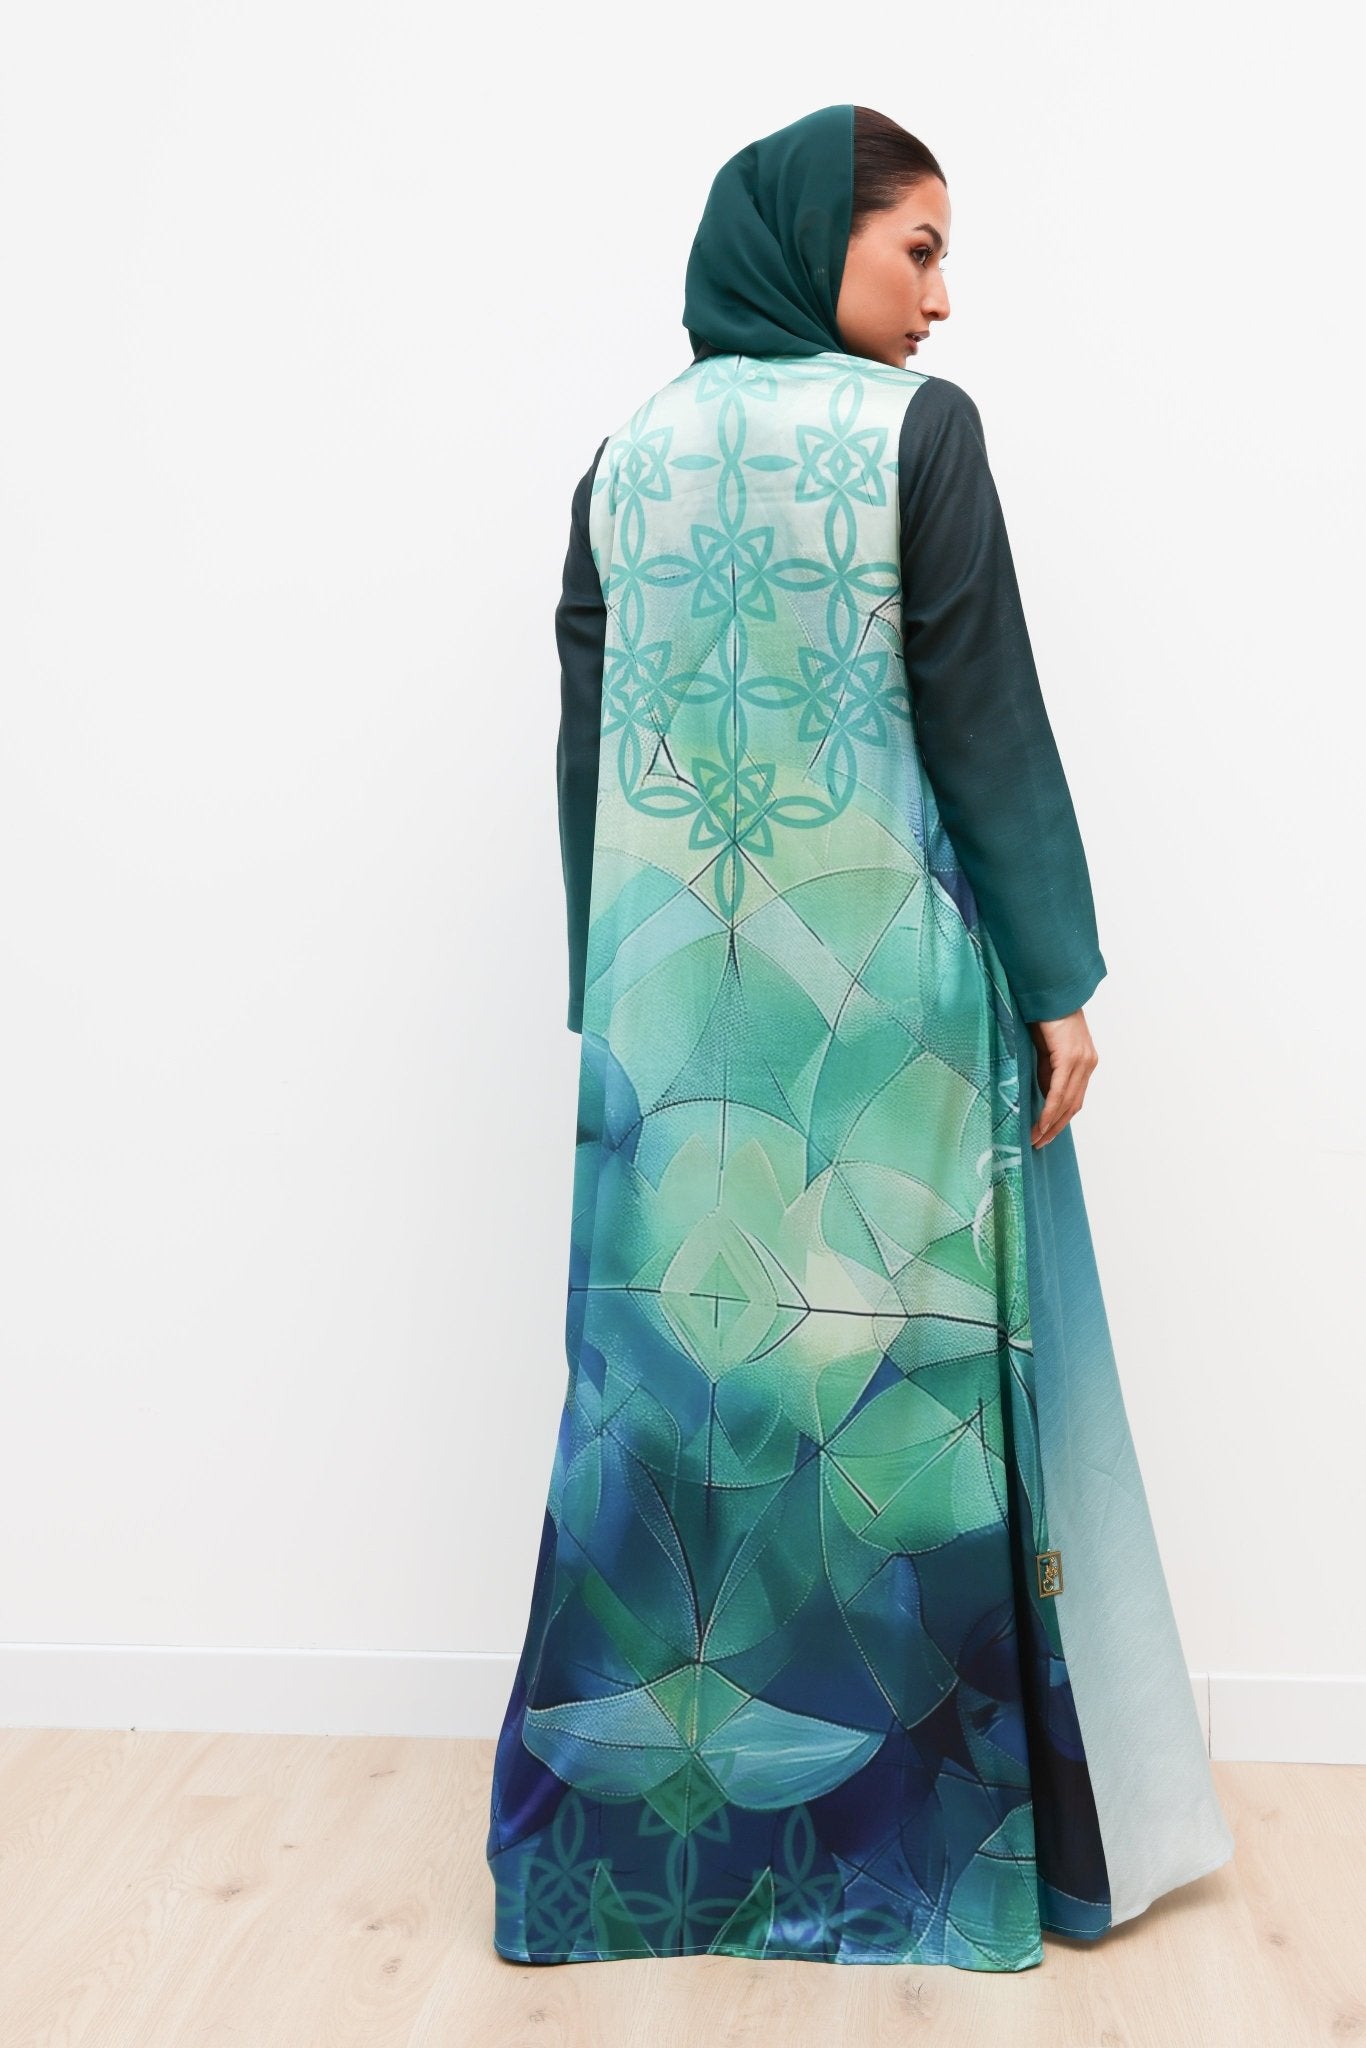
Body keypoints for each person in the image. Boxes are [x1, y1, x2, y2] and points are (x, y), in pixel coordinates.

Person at [486, 103, 1234, 1972]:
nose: (941, 297)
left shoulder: (624, 457)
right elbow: (980, 714)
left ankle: (633, 1874)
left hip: (667, 1052)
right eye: (917, 247)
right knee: (896, 1425)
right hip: (881, 1039)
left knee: (674, 1430)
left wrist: (605, 1000)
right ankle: (921, 1870)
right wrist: (1055, 975)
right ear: (817, 237)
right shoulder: (915, 436)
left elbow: (588, 761)